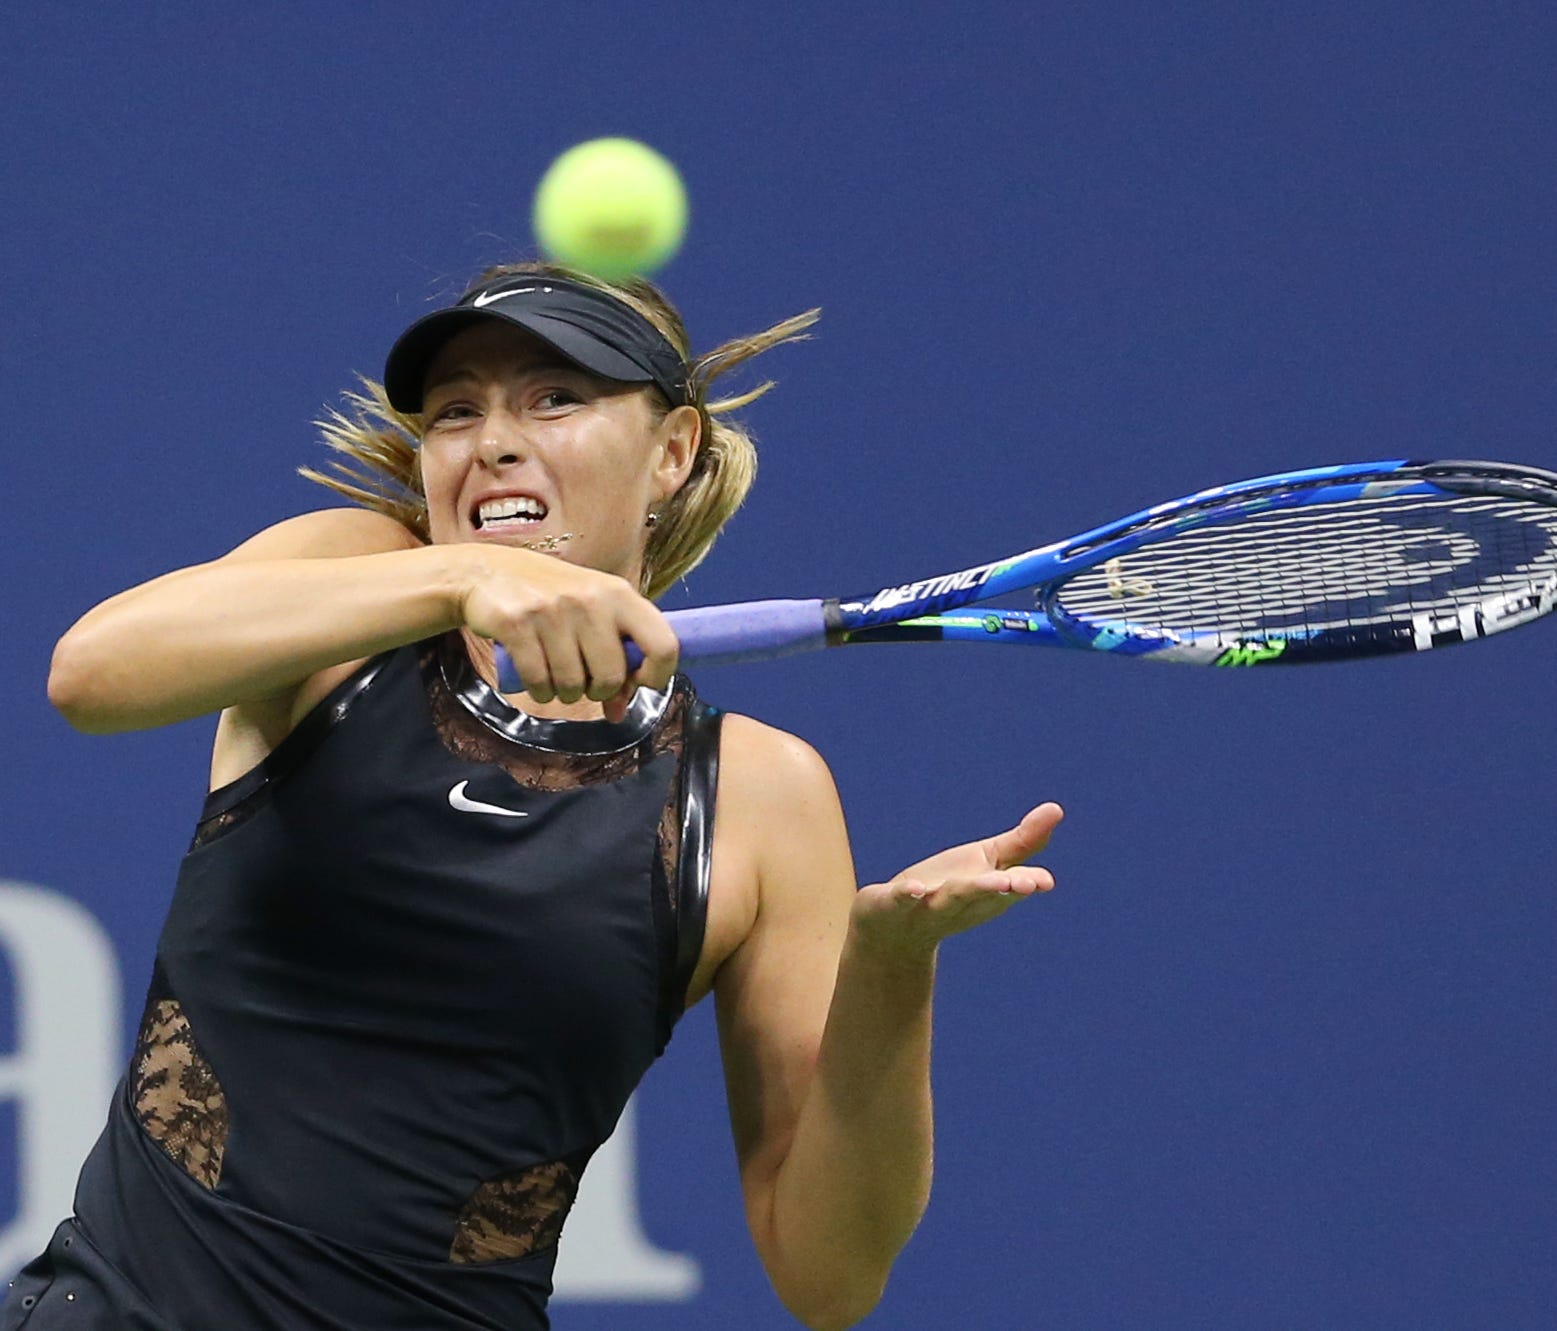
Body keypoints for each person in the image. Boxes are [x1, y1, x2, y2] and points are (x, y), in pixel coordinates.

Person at [7, 263, 1063, 1331]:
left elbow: (829, 1275)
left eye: (555, 398)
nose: (494, 441)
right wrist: (459, 579)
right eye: (455, 411)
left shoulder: (757, 796)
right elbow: (92, 674)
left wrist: (889, 972)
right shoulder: (348, 581)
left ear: (673, 452)